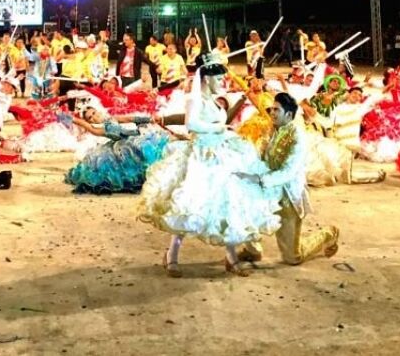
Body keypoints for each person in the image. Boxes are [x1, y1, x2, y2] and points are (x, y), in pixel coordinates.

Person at [139, 52, 281, 277]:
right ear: (206, 79)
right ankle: (171, 255)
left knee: (227, 204)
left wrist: (227, 127)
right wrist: (218, 128)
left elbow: (222, 121)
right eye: (219, 79)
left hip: (223, 154)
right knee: (189, 205)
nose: (222, 83)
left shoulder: (215, 102)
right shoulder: (194, 100)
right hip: (201, 156)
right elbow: (191, 124)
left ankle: (231, 257)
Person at [237, 92, 340, 265]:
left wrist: (261, 180)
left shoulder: (298, 137)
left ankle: (329, 234)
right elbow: (261, 156)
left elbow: (289, 172)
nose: (272, 113)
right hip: (267, 191)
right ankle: (252, 250)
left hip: (287, 196)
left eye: (277, 110)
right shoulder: (272, 129)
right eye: (272, 110)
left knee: (292, 258)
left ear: (289, 115)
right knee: (243, 210)